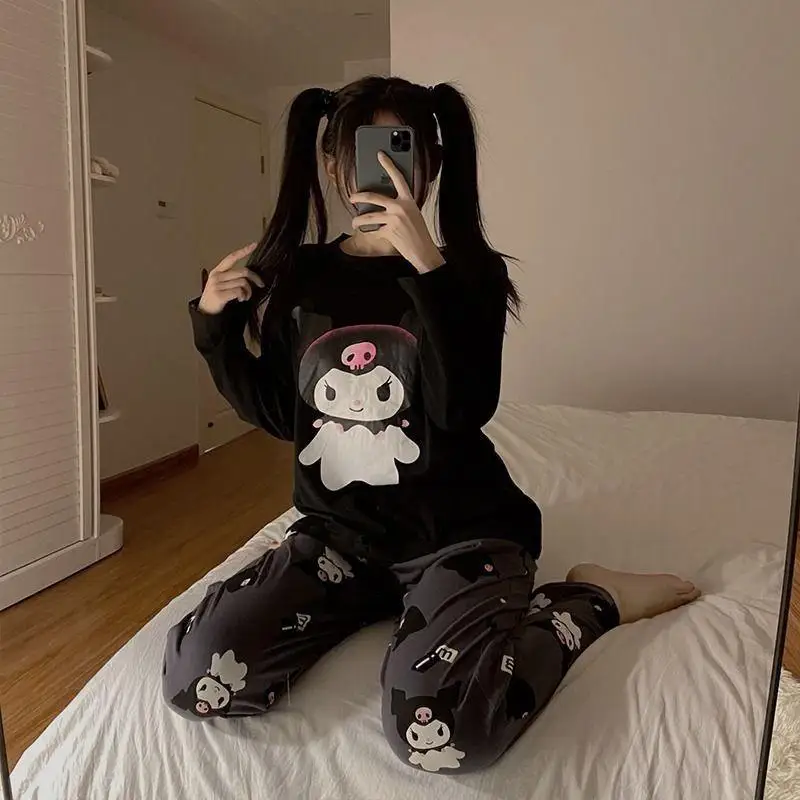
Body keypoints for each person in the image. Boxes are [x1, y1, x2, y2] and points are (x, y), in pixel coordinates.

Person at [162, 76, 700, 773]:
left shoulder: (468, 274)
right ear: (333, 164)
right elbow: (281, 415)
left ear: (431, 164)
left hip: (459, 533)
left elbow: (462, 408)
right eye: (361, 152)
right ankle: (377, 601)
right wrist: (215, 327)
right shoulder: (302, 275)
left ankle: (589, 599)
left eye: (400, 150)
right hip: (342, 538)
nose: (380, 170)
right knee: (195, 675)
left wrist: (428, 270)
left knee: (443, 733)